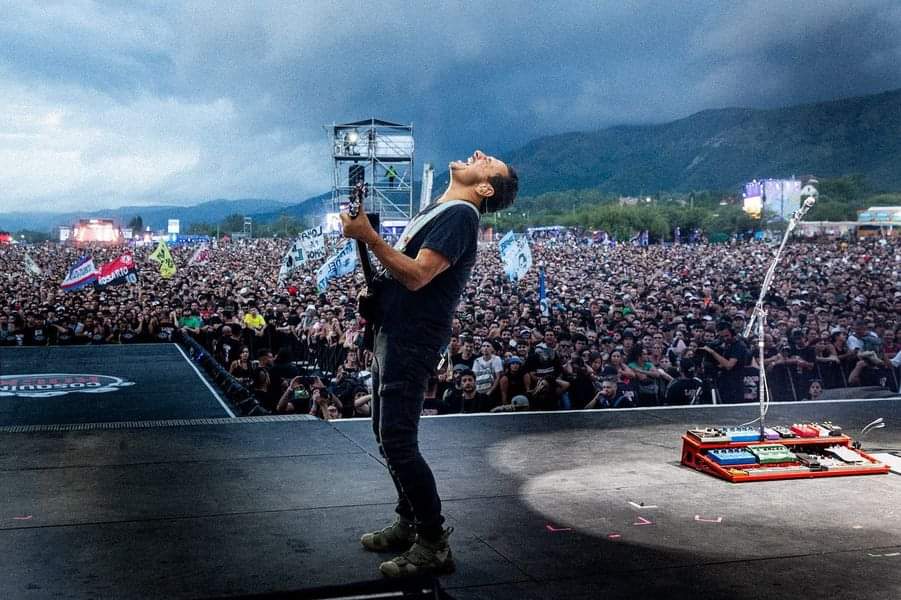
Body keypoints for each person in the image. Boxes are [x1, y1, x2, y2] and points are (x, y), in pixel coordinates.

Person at [340, 149, 517, 578]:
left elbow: (419, 274)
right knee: (386, 437)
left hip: (412, 340)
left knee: (399, 441)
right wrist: (378, 293)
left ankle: (434, 543)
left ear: (485, 187)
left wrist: (370, 237)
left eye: (488, 161)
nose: (478, 154)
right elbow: (405, 278)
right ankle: (409, 522)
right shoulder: (441, 209)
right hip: (396, 330)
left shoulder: (460, 217)